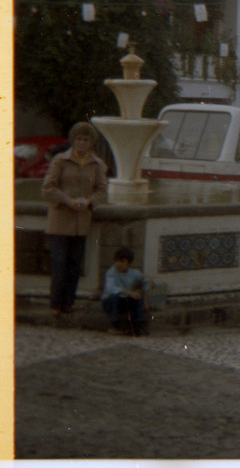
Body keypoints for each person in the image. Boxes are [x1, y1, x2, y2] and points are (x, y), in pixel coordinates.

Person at [42, 122, 108, 317]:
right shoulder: (60, 161)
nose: (82, 143)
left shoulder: (97, 164)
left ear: (91, 142)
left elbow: (102, 190)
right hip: (60, 219)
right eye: (78, 139)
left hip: (81, 221)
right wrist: (67, 200)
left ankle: (68, 302)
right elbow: (48, 188)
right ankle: (55, 304)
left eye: (86, 139)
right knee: (59, 262)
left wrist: (89, 202)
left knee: (74, 265)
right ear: (73, 141)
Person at [101, 247, 149, 335]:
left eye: (122, 261)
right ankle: (116, 325)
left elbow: (145, 282)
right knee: (114, 298)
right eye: (117, 261)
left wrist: (145, 302)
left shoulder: (133, 273)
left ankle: (138, 324)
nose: (119, 264)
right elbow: (111, 288)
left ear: (129, 263)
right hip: (110, 301)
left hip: (124, 300)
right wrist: (129, 292)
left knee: (137, 298)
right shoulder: (111, 272)